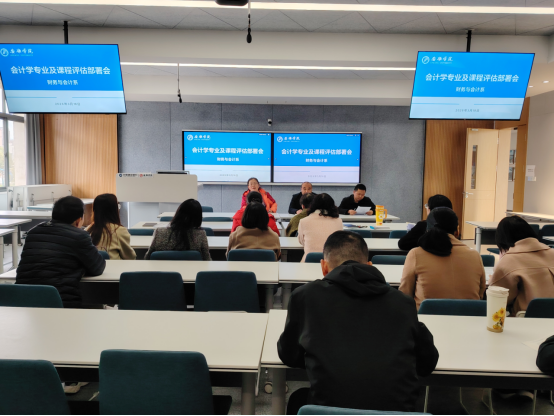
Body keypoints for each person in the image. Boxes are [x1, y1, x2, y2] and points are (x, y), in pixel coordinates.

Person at [278, 231, 439, 415]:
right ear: (369, 265)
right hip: (394, 412)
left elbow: (289, 355)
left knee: (299, 400)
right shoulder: (402, 303)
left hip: (328, 411)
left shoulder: (305, 296)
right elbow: (427, 364)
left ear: (324, 267)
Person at [16, 196, 106, 308]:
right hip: (59, 300)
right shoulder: (79, 236)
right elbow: (97, 268)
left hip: (23, 299)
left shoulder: (33, 232)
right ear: (78, 220)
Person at [399, 208, 486, 310]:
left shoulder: (415, 254)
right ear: (457, 231)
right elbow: (481, 294)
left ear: (427, 230)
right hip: (469, 317)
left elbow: (405, 295)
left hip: (427, 318)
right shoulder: (475, 255)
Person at [489, 216, 554, 315]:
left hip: (525, 318)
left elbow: (498, 297)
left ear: (502, 239)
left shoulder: (508, 261)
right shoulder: (552, 253)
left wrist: (501, 261)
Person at [145, 199, 211, 260]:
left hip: (163, 269)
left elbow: (147, 258)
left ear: (178, 213)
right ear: (198, 218)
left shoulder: (159, 232)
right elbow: (207, 260)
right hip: (192, 269)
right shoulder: (201, 235)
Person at [86, 193, 136, 260]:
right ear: (114, 210)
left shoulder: (87, 230)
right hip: (114, 266)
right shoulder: (119, 231)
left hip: (93, 266)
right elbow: (130, 257)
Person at [298, 194, 343, 262]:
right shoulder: (339, 221)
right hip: (332, 262)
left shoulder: (303, 221)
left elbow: (301, 241)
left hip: (310, 261)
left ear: (312, 205)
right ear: (333, 206)